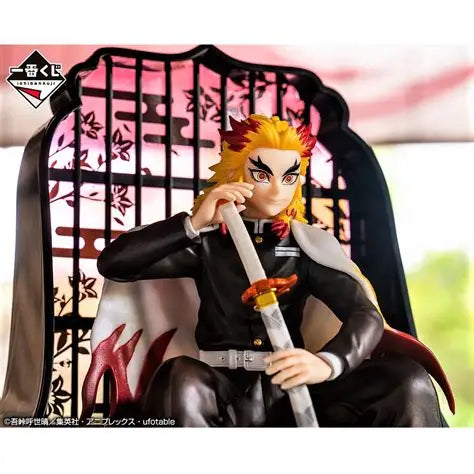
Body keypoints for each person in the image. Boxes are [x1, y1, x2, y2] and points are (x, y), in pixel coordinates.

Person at [96, 114, 453, 427]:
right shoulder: (207, 244)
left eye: (290, 176)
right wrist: (192, 224)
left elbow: (364, 314)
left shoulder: (306, 247)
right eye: (262, 174)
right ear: (236, 173)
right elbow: (115, 263)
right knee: (179, 378)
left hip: (293, 392)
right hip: (219, 391)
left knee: (406, 380)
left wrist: (328, 362)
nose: (278, 189)